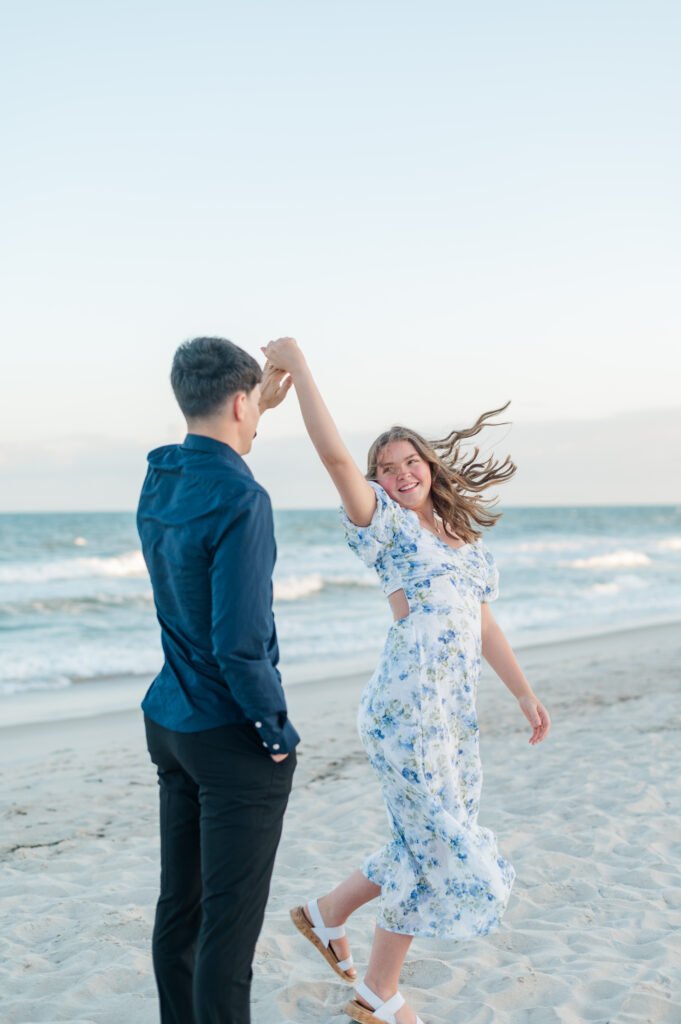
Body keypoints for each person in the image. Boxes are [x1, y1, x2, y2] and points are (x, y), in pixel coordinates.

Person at [262, 337, 551, 1024]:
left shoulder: (462, 544)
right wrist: (301, 370)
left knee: (427, 834)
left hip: (452, 717)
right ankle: (377, 993)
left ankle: (325, 912)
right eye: (385, 469)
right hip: (402, 711)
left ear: (428, 465)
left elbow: (483, 629)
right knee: (437, 843)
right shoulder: (383, 527)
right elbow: (335, 457)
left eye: (409, 461)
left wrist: (522, 691)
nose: (399, 474)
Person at [137, 336, 300, 1024]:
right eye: (255, 408)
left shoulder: (160, 475)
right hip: (229, 732)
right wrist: (276, 730)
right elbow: (238, 645)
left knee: (182, 910)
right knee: (227, 937)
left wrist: (258, 392)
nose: (259, 420)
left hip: (170, 720)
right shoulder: (242, 496)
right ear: (241, 402)